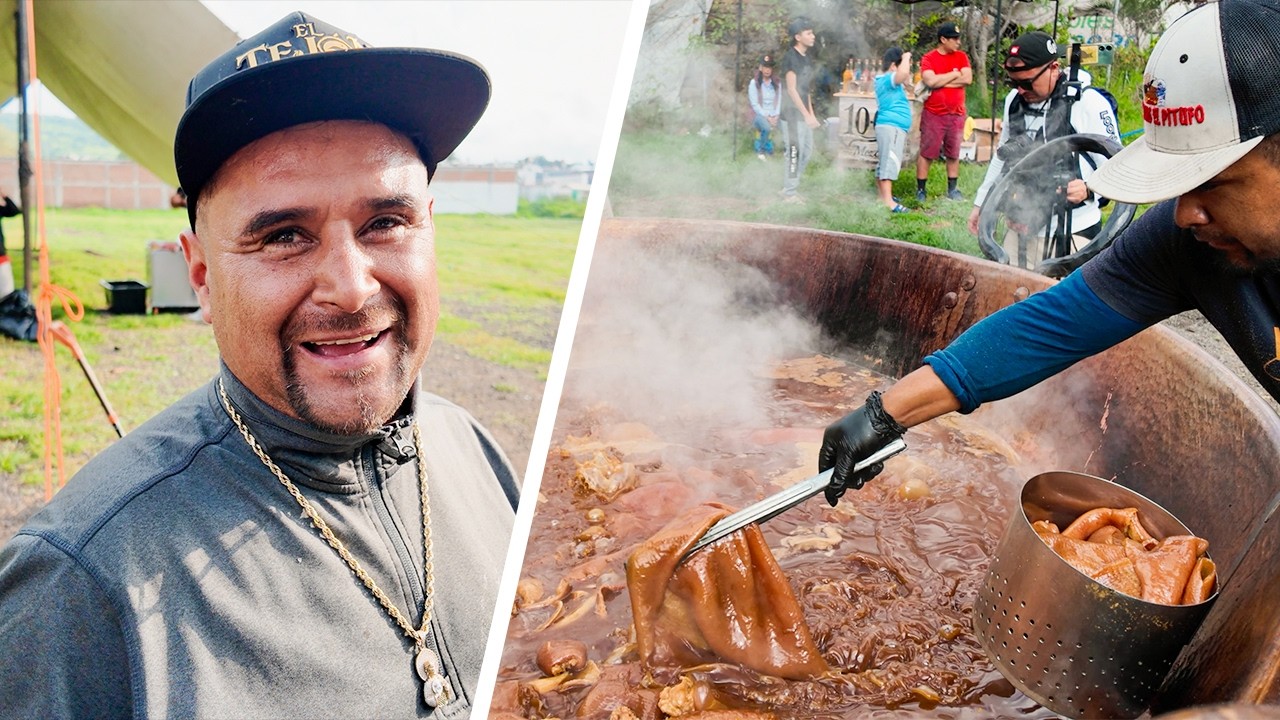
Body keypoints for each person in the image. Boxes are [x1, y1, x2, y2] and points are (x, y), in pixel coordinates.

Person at [0, 12, 519, 718]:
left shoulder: (473, 447)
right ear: (203, 277)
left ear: (430, 225)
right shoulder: (80, 587)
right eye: (284, 236)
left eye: (385, 223)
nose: (352, 286)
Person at [818, 0, 1280, 502]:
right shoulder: (1185, 244)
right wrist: (882, 414)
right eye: (1177, 183)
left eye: (1211, 181)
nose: (1184, 214)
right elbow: (1047, 324)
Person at [966, 31, 1120, 255]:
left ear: (1054, 68)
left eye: (1027, 82)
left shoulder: (1088, 103)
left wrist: (1089, 188)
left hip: (1073, 233)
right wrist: (981, 204)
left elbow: (1117, 165)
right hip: (1018, 231)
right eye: (1013, 82)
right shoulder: (1014, 101)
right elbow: (1002, 156)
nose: (1020, 90)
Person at [915, 22, 971, 203]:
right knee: (927, 152)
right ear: (943, 39)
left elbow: (968, 79)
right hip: (934, 114)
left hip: (956, 114)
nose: (958, 42)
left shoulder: (961, 57)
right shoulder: (929, 58)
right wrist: (954, 75)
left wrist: (942, 81)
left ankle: (953, 190)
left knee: (953, 153)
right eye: (954, 39)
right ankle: (921, 190)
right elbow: (929, 81)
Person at [780, 16, 821, 204]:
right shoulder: (790, 57)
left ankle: (790, 186)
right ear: (798, 36)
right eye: (809, 33)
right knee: (795, 152)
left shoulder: (807, 59)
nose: (813, 36)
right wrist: (805, 115)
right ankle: (789, 193)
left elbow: (807, 91)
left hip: (804, 115)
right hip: (792, 115)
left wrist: (811, 115)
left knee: (807, 152)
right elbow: (791, 89)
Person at [873, 47, 913, 213]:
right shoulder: (887, 79)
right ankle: (889, 203)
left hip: (890, 126)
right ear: (892, 66)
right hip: (892, 127)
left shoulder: (886, 81)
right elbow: (902, 75)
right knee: (890, 161)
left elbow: (905, 79)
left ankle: (882, 197)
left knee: (884, 161)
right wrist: (907, 56)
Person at [748, 54, 781, 160]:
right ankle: (761, 151)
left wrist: (776, 115)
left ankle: (787, 150)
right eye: (765, 67)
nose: (767, 70)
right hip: (759, 114)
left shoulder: (777, 83)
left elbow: (780, 100)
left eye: (770, 67)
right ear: (760, 68)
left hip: (774, 113)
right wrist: (767, 117)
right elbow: (755, 105)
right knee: (766, 127)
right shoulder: (754, 83)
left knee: (786, 124)